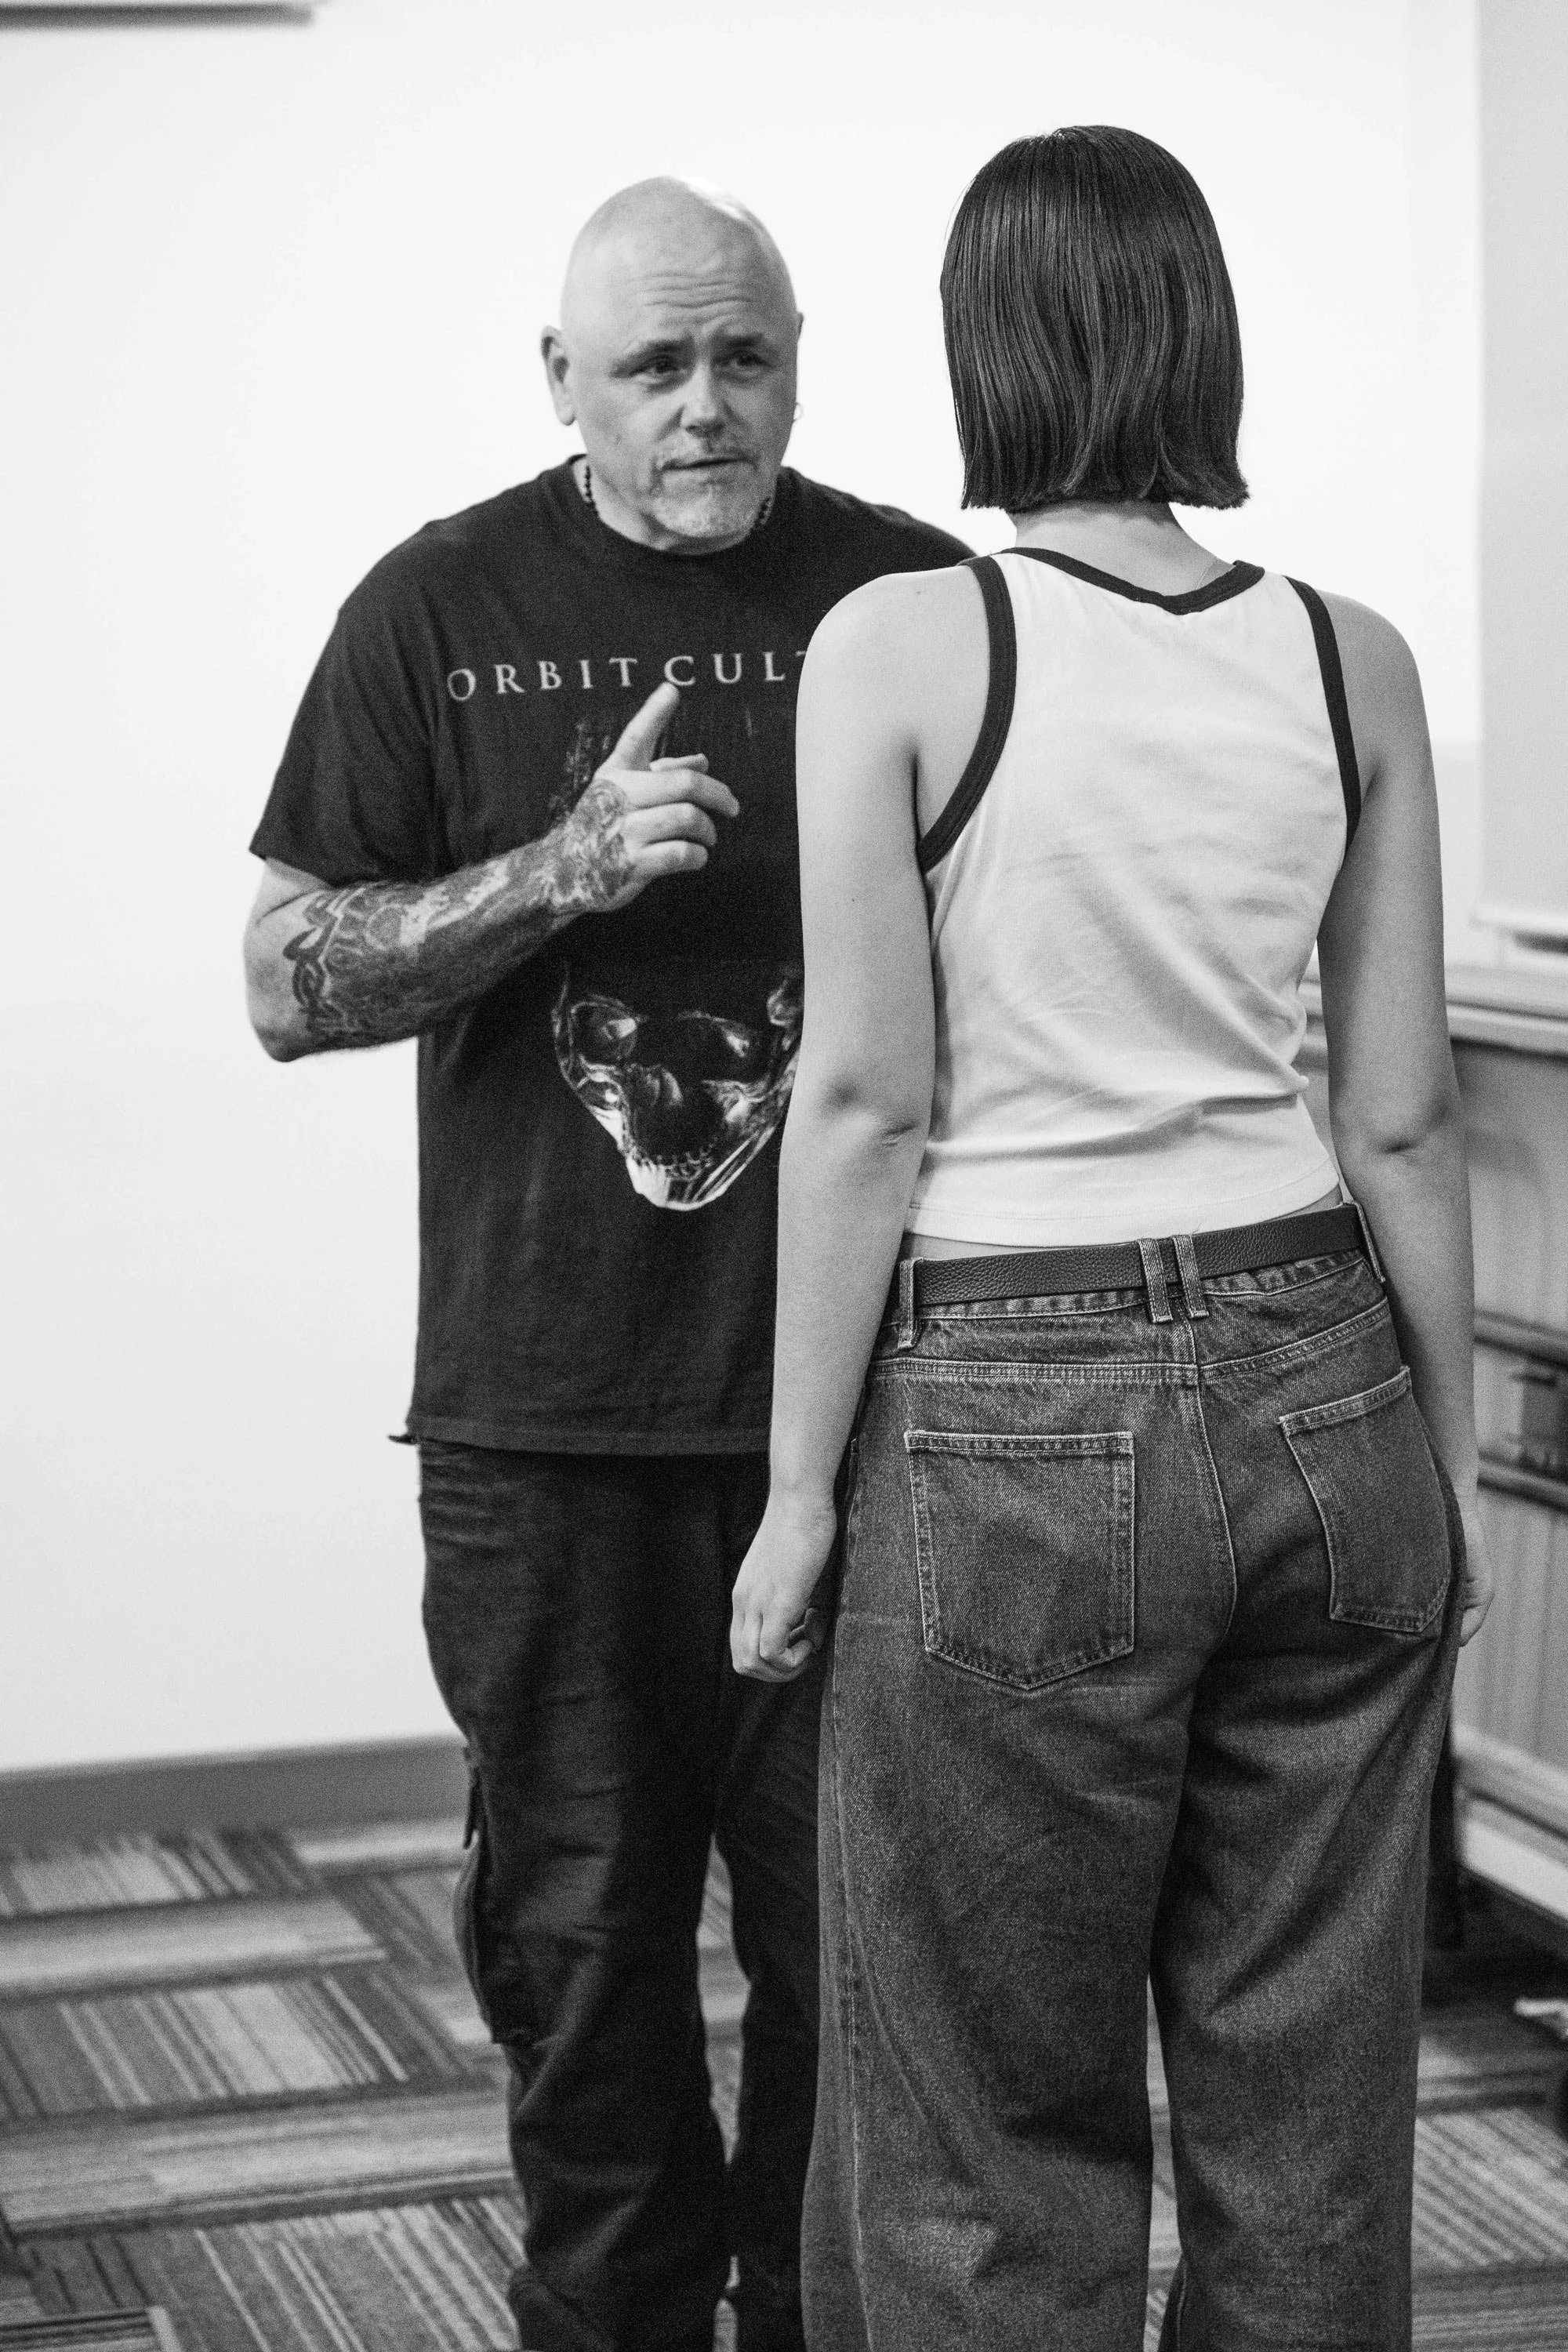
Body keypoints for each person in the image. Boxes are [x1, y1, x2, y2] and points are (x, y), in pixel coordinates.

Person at [730, 127, 1494, 2352]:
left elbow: (863, 1105)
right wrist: (1443, 1474)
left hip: (1013, 1422)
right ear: (1201, 334)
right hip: (1324, 1380)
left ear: (983, 346)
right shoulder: (1349, 659)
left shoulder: (902, 644)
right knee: (1309, 2118)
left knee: (987, 2129)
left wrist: (797, 1496)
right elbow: (1401, 1114)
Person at [242, 179, 967, 2352]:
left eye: (748, 355)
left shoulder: (909, 598)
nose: (705, 404)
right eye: (655, 365)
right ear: (561, 379)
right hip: (542, 1423)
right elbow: (284, 979)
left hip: (858, 1413)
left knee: (865, 1974)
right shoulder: (439, 607)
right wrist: (553, 873)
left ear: (803, 358)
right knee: (580, 1972)